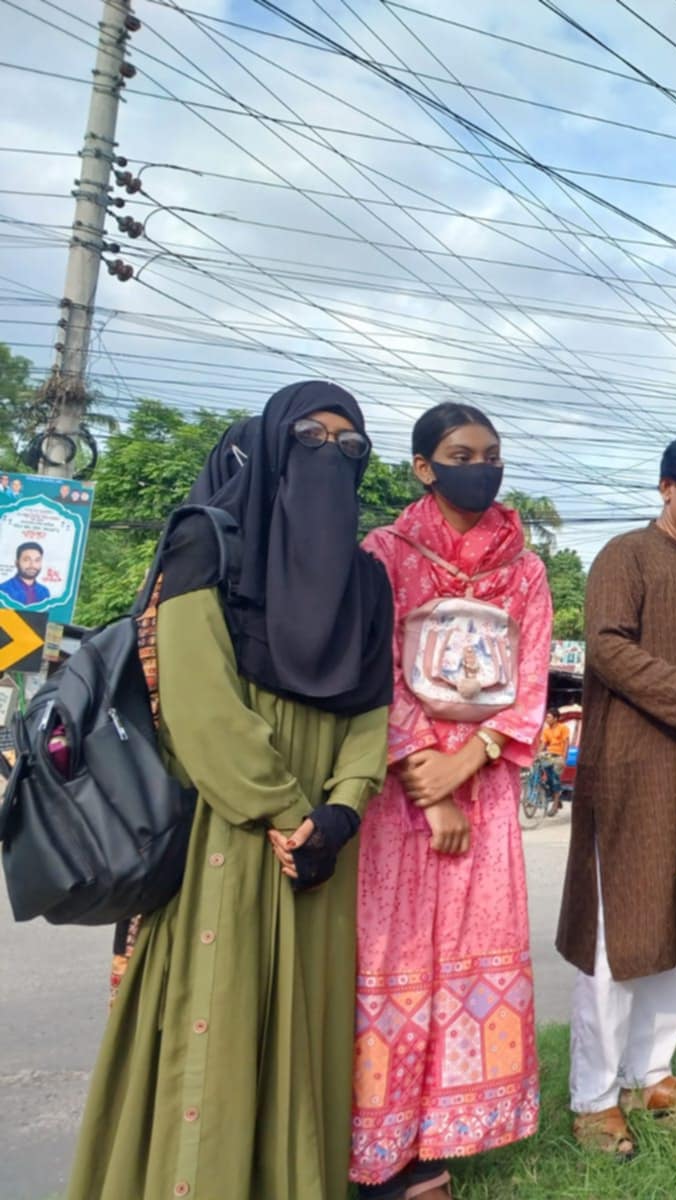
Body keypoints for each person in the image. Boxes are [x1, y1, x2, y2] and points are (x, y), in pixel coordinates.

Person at [67, 381, 394, 1200]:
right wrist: (289, 815)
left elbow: (374, 709)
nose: (332, 456)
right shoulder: (204, 550)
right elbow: (200, 704)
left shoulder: (368, 582)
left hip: (322, 844)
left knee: (302, 1033)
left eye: (351, 447)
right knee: (218, 1023)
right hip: (231, 829)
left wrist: (343, 810)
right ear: (275, 445)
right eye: (312, 438)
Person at [350, 404, 553, 1199]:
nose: (482, 464)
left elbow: (529, 679)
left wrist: (467, 762)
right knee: (393, 964)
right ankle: (377, 1144)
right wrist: (425, 780)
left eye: (493, 453)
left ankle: (439, 1136)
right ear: (423, 468)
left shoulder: (526, 570)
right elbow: (376, 672)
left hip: (489, 782)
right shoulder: (385, 555)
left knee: (473, 955)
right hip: (401, 794)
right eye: (462, 453)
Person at [555, 429, 676, 1158]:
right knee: (619, 939)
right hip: (630, 775)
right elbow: (605, 646)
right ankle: (594, 1099)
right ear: (666, 486)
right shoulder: (624, 556)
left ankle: (652, 1075)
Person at [0, 541, 50, 606]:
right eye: (26, 560)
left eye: (37, 560)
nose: (32, 565)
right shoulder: (3, 590)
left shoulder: (44, 592)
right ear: (16, 562)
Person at [539, 709, 571, 811]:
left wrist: (564, 757)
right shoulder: (546, 731)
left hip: (559, 757)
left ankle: (555, 804)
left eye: (549, 717)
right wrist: (537, 754)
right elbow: (543, 744)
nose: (546, 719)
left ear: (556, 718)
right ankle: (557, 799)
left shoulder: (563, 728)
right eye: (546, 717)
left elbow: (566, 742)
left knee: (555, 779)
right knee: (547, 779)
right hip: (549, 756)